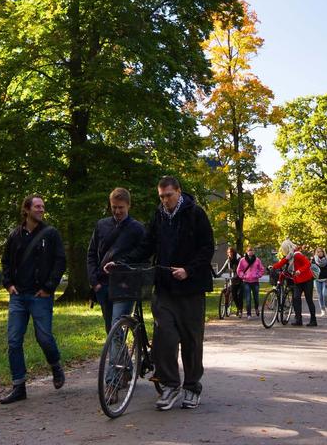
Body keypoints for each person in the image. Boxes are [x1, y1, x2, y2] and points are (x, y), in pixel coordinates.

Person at [107, 176, 215, 411]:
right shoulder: (159, 217)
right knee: (164, 337)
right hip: (165, 287)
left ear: (179, 192)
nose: (165, 200)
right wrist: (121, 262)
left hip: (191, 288)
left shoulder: (196, 214)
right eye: (162, 196)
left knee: (191, 341)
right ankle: (170, 385)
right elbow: (146, 246)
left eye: (169, 195)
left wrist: (189, 270)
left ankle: (192, 386)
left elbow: (207, 248)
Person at [0, 194, 67, 405]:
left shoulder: (51, 234)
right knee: (13, 341)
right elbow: (6, 262)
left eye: (43, 207)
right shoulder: (14, 235)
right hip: (18, 296)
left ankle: (55, 365)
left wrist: (49, 287)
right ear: (26, 209)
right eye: (37, 206)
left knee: (44, 338)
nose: (41, 210)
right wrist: (8, 284)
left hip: (40, 296)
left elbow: (60, 262)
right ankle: (18, 386)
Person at [87, 188, 147, 334]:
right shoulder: (101, 225)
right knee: (111, 330)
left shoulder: (137, 229)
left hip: (126, 285)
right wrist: (94, 282)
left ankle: (115, 358)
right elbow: (91, 254)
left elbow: (143, 255)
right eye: (114, 207)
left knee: (116, 329)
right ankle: (123, 358)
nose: (117, 211)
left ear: (128, 206)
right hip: (103, 285)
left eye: (121, 207)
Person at [272, 239, 317, 326]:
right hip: (297, 281)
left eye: (284, 249)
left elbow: (307, 264)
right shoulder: (289, 256)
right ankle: (298, 320)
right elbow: (281, 263)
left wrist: (300, 270)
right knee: (296, 299)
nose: (283, 251)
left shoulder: (297, 255)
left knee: (309, 300)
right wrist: (273, 267)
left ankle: (313, 320)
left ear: (287, 248)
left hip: (307, 280)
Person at [236, 246, 265, 317]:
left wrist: (258, 275)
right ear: (246, 251)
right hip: (246, 282)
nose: (250, 251)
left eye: (252, 250)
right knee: (248, 298)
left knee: (256, 298)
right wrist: (243, 276)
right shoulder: (242, 260)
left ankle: (256, 308)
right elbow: (239, 270)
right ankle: (249, 313)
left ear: (254, 252)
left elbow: (262, 269)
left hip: (255, 281)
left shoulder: (257, 260)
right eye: (249, 250)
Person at [216, 247, 243, 316]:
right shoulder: (228, 261)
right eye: (228, 253)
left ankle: (240, 309)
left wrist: (237, 276)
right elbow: (222, 270)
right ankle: (233, 307)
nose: (229, 254)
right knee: (232, 294)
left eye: (231, 252)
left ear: (233, 253)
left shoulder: (239, 260)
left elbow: (240, 269)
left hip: (240, 279)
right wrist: (216, 275)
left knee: (239, 295)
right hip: (233, 279)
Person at [312, 247, 327, 316]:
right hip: (317, 280)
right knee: (320, 295)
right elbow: (312, 270)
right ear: (316, 253)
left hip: (325, 280)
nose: (319, 253)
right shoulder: (314, 260)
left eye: (321, 251)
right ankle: (322, 310)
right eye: (318, 252)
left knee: (325, 294)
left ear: (323, 252)